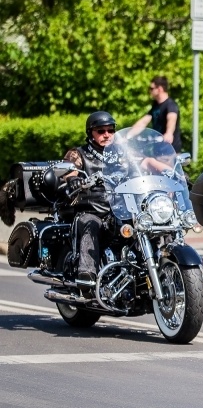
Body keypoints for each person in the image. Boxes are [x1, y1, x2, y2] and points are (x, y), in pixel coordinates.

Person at [62, 111, 118, 288]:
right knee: (91, 224)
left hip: (119, 209)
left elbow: (143, 165)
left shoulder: (122, 154)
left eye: (111, 130)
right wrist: (73, 179)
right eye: (101, 131)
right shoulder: (78, 154)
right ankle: (86, 275)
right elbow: (68, 172)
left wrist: (169, 173)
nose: (107, 134)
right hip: (91, 209)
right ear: (90, 133)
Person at [132, 76, 182, 153]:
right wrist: (127, 135)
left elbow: (172, 118)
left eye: (151, 88)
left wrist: (169, 133)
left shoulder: (170, 105)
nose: (149, 91)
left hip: (170, 150)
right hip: (158, 149)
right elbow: (143, 122)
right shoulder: (156, 105)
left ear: (159, 89)